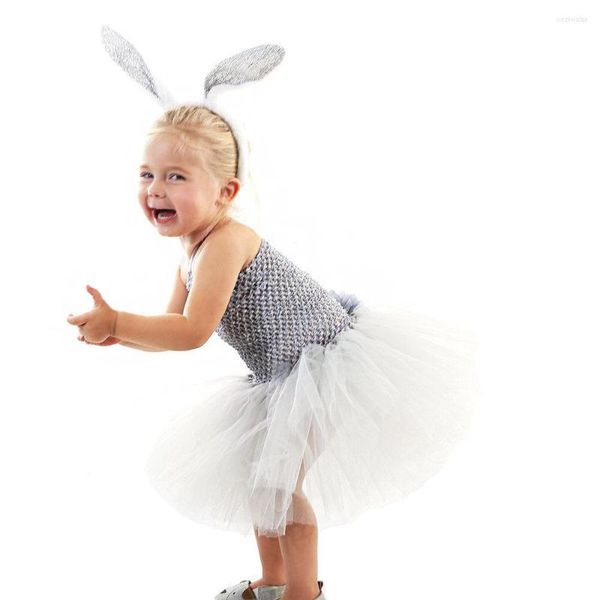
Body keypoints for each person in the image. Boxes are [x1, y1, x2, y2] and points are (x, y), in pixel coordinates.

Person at [66, 27, 480, 600]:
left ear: (225, 191)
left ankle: (303, 593)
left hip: (324, 365)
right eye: (148, 174)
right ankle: (272, 581)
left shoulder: (228, 242)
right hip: (278, 374)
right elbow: (169, 330)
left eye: (176, 177)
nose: (155, 189)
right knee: (261, 480)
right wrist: (123, 336)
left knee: (281, 486)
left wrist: (119, 324)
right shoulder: (193, 251)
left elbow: (191, 333)